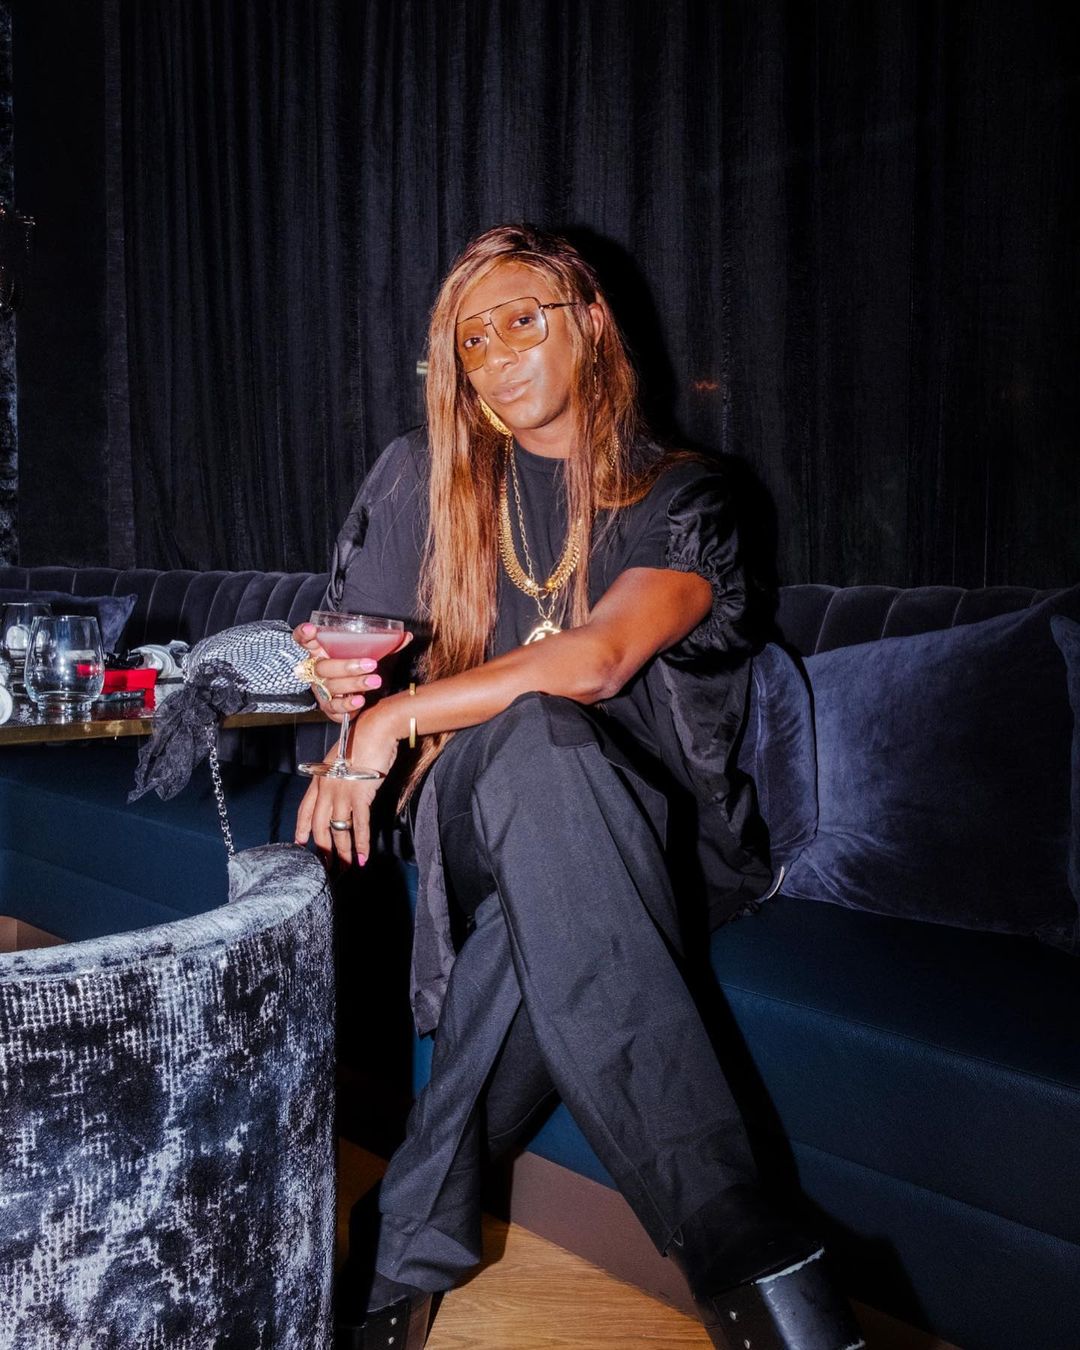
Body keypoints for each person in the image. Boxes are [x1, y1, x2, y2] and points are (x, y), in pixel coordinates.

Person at [293, 225, 863, 1350]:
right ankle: (735, 1236)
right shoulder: (427, 478)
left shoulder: (684, 496)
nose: (495, 353)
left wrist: (393, 719)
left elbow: (598, 660)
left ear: (592, 322)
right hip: (466, 811)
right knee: (540, 745)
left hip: (660, 838)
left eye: (523, 319)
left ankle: (402, 1242)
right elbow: (353, 646)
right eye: (471, 339)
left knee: (552, 797)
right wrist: (343, 682)